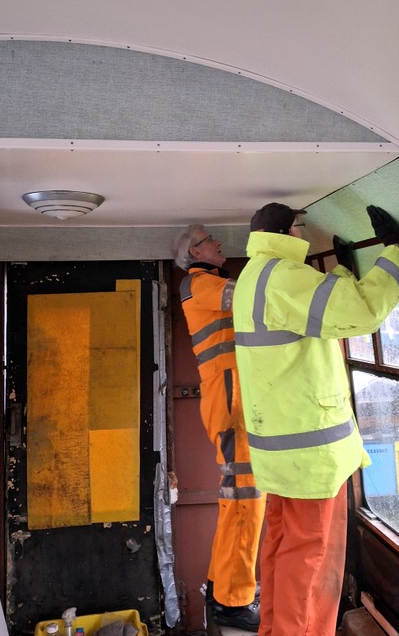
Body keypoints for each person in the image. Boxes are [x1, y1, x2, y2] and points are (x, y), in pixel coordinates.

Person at [232, 202, 399, 636]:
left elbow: (316, 310)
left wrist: (342, 270)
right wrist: (396, 255)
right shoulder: (282, 275)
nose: (308, 234)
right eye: (303, 227)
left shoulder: (254, 276)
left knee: (281, 551)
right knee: (311, 562)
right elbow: (358, 313)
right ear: (288, 231)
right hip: (311, 457)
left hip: (282, 455)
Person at [171, 224, 266, 633]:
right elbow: (250, 298)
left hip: (231, 398)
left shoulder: (207, 283)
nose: (219, 243)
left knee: (239, 500)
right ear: (194, 252)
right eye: (210, 239)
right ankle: (233, 600)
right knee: (246, 500)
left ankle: (223, 588)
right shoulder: (197, 285)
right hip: (229, 400)